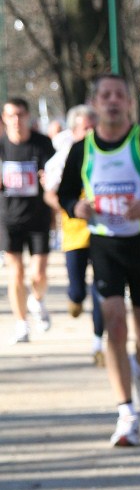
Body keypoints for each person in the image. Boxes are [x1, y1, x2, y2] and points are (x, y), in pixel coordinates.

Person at [57, 73, 140, 447]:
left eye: (119, 95)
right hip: (104, 245)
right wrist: (76, 207)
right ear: (95, 103)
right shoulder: (82, 149)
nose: (112, 101)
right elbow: (65, 193)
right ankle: (126, 414)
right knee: (114, 323)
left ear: (129, 103)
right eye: (105, 95)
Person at [42, 104, 105, 364]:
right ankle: (75, 298)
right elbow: (50, 194)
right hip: (74, 234)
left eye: (94, 127)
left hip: (103, 232)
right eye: (85, 128)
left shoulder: (108, 154)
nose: (90, 132)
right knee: (78, 290)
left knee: (102, 288)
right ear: (74, 131)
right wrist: (70, 206)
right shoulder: (63, 158)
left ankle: (99, 343)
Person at [1, 96, 55, 343]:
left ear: (27, 116)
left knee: (38, 274)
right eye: (11, 115)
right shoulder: (1, 146)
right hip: (8, 218)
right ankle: (21, 324)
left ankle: (37, 300)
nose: (16, 120)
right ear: (4, 118)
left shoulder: (42, 144)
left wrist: (48, 180)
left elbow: (54, 176)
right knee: (15, 273)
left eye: (20, 115)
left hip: (38, 217)